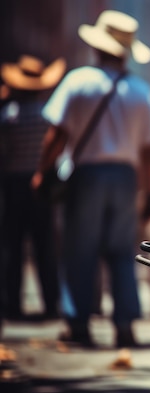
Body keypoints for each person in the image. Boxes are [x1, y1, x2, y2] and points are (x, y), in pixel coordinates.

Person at [31, 10, 150, 348]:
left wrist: (42, 171)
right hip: (125, 178)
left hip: (86, 175)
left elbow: (56, 135)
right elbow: (149, 152)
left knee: (80, 250)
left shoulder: (78, 81)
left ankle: (78, 324)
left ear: (98, 47)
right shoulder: (141, 91)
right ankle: (125, 325)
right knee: (121, 252)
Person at [0, 55, 65, 321]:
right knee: (45, 246)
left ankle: (11, 304)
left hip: (14, 184)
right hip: (42, 185)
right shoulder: (47, 115)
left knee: (12, 247)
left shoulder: (7, 115)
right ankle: (51, 303)